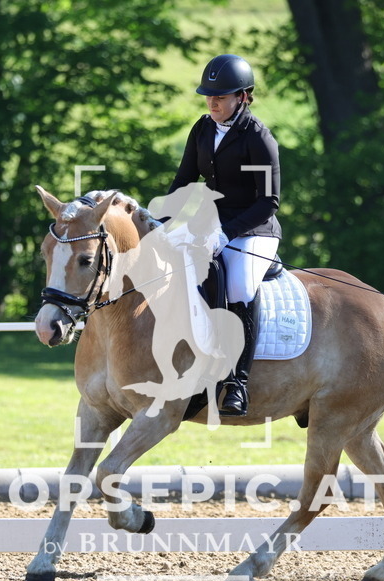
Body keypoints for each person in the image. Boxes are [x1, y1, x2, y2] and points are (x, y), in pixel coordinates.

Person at [168, 54, 282, 417]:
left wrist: (227, 233)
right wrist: (156, 221)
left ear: (243, 96)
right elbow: (184, 182)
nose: (213, 102)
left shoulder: (259, 138)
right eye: (208, 95)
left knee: (239, 287)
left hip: (254, 228)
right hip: (210, 225)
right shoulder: (202, 129)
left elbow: (269, 202)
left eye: (221, 96)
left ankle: (236, 381)